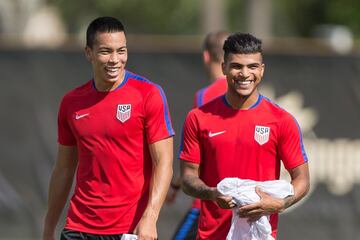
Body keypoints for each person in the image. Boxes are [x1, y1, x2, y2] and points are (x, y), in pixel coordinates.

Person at [42, 16, 175, 240]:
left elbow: (163, 163)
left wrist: (150, 218)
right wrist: (49, 226)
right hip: (79, 226)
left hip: (130, 228)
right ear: (88, 53)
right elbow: (64, 169)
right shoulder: (71, 102)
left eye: (121, 51)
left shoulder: (148, 94)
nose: (115, 59)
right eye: (106, 51)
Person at [179, 32, 310, 239]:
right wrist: (213, 193)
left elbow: (302, 179)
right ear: (224, 68)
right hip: (211, 235)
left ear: (262, 70)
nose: (245, 74)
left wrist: (281, 203)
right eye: (237, 66)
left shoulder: (281, 120)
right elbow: (187, 178)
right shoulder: (198, 118)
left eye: (252, 66)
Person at [167, 31, 229, 240]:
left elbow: (196, 152)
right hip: (239, 200)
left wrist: (175, 183)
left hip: (207, 201)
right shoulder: (250, 96)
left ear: (206, 56)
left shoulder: (206, 96)